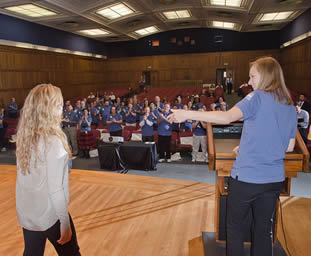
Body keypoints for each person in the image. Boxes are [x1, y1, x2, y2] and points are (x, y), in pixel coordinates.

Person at [169, 57, 297, 256]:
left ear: (265, 76)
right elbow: (288, 147)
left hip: (247, 178)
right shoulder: (288, 105)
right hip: (273, 180)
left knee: (235, 228)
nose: (249, 82)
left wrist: (187, 114)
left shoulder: (256, 97)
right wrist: (248, 146)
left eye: (253, 76)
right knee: (264, 231)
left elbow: (227, 117)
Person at [15, 84, 80, 256]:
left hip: (29, 214)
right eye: (58, 105)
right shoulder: (54, 142)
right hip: (51, 215)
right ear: (47, 110)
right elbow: (56, 189)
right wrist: (64, 222)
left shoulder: (25, 137)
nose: (62, 110)